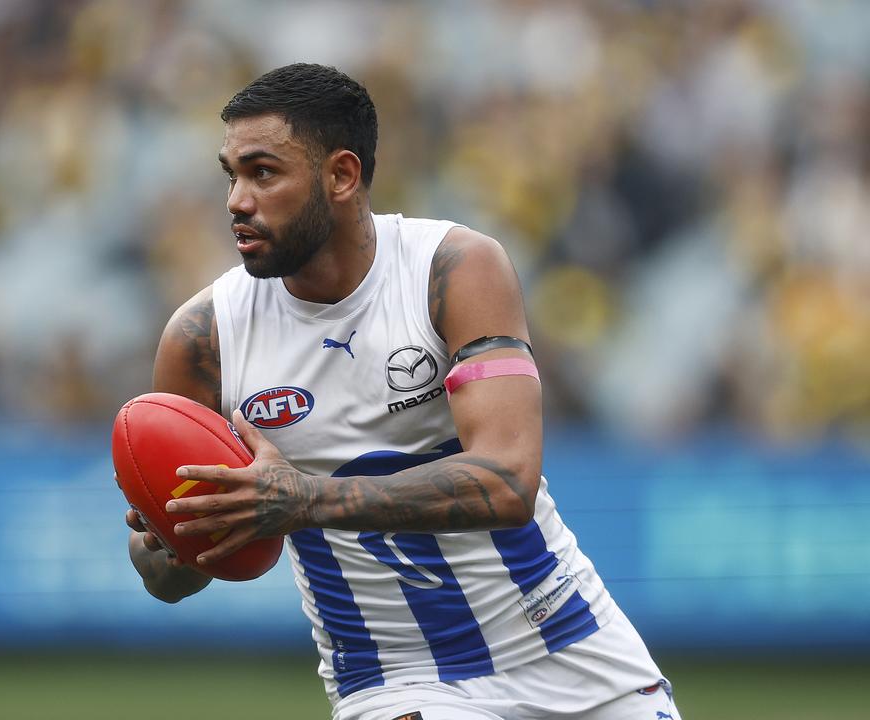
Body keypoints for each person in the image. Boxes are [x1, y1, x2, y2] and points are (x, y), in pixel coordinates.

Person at [123, 63, 681, 720]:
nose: (236, 200)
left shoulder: (452, 269)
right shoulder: (202, 338)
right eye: (231, 175)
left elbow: (509, 481)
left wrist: (305, 500)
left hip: (568, 648)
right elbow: (178, 575)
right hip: (396, 679)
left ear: (342, 176)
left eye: (263, 173)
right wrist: (169, 547)